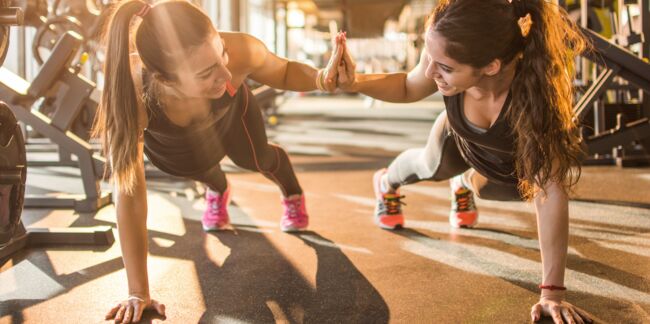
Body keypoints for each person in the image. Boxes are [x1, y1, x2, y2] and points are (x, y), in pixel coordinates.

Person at [335, 0, 592, 323]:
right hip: (457, 139)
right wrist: (353, 83)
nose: (431, 73)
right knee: (429, 166)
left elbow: (550, 191)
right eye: (431, 59)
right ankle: (387, 181)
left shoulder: (536, 97)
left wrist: (551, 294)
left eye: (445, 67)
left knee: (503, 191)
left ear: (491, 67)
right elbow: (406, 85)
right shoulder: (449, 52)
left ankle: (465, 181)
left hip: (505, 163)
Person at [94, 1, 344, 322]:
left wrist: (324, 79)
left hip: (231, 115)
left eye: (221, 53)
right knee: (191, 168)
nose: (225, 73)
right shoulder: (129, 87)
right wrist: (137, 291)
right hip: (176, 144)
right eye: (205, 72)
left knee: (256, 158)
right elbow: (128, 190)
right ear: (164, 79)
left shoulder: (239, 52)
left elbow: (281, 71)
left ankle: (291, 192)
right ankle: (218, 189)